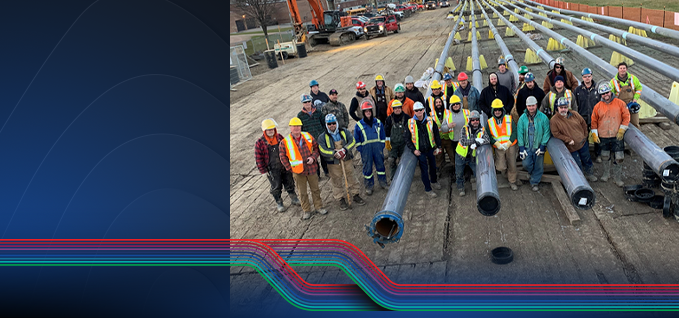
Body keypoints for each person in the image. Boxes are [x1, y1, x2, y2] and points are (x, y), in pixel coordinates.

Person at [279, 117, 326, 220]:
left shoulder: (307, 136)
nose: (296, 128)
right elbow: (282, 157)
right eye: (294, 126)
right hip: (298, 171)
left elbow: (316, 148)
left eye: (298, 126)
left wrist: (313, 158)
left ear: (301, 127)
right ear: (290, 128)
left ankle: (319, 207)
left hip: (311, 168)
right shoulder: (285, 142)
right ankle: (306, 210)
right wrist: (290, 169)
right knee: (302, 192)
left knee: (315, 189)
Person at [318, 114, 366, 210]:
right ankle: (340, 199)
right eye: (329, 124)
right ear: (326, 125)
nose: (332, 126)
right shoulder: (322, 137)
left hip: (346, 159)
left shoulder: (344, 132)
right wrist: (333, 153)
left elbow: (352, 141)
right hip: (333, 163)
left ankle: (355, 194)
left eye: (333, 123)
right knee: (336, 181)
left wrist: (344, 150)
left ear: (336, 123)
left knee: (351, 176)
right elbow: (322, 150)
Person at [255, 118, 301, 212]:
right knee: (276, 186)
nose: (271, 131)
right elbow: (258, 158)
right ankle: (279, 202)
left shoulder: (280, 137)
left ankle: (293, 198)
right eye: (268, 129)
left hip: (284, 165)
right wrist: (263, 171)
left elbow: (288, 149)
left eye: (272, 129)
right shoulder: (260, 143)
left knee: (289, 182)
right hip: (272, 169)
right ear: (264, 130)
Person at [549, 98, 598, 182]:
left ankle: (590, 174)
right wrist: (567, 139)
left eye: (565, 107)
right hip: (570, 147)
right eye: (561, 107)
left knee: (587, 159)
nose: (563, 109)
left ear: (568, 107)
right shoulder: (554, 120)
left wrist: (584, 135)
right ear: (557, 108)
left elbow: (583, 124)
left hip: (582, 143)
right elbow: (556, 134)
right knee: (576, 164)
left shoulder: (574, 114)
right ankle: (581, 180)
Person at [591, 82, 630, 187]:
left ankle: (617, 178)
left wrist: (622, 129)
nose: (605, 95)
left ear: (610, 92)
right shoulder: (597, 106)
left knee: (619, 157)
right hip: (603, 135)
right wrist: (594, 134)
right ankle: (606, 173)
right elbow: (593, 121)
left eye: (607, 92)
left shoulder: (620, 103)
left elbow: (626, 117)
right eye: (603, 94)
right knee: (605, 155)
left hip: (617, 134)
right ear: (600, 95)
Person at [406, 102, 443, 197]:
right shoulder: (410, 123)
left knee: (433, 166)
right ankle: (428, 189)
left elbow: (436, 134)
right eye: (416, 110)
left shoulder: (430, 120)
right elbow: (407, 138)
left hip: (430, 148)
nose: (419, 112)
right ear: (414, 111)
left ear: (423, 110)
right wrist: (414, 150)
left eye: (420, 110)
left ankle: (434, 181)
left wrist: (438, 146)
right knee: (424, 170)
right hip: (420, 151)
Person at [354, 99, 388, 195]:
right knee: (367, 169)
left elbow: (382, 135)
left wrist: (381, 145)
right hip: (366, 150)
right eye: (366, 111)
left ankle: (383, 183)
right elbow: (356, 139)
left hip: (377, 149)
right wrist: (361, 149)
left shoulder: (378, 122)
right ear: (363, 112)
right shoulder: (359, 125)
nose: (368, 112)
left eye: (369, 111)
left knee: (380, 166)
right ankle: (369, 186)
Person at [517, 96, 551, 192]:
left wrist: (542, 146)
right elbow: (520, 133)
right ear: (526, 106)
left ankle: (534, 182)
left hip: (538, 146)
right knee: (526, 164)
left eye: (533, 105)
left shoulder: (543, 118)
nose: (531, 108)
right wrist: (521, 148)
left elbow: (546, 132)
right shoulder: (522, 119)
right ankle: (531, 172)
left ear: (536, 105)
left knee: (539, 165)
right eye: (529, 106)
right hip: (527, 146)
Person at [454, 110, 489, 196]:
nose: (475, 122)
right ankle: (460, 187)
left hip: (472, 156)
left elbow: (487, 140)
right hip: (461, 155)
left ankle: (481, 188)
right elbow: (463, 141)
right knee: (459, 173)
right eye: (473, 120)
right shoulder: (464, 128)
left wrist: (477, 143)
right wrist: (476, 140)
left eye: (477, 119)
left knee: (477, 173)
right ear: (470, 120)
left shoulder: (482, 129)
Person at [488, 99, 520, 190]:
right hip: (499, 147)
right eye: (495, 110)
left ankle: (512, 181)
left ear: (502, 110)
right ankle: (506, 174)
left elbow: (514, 131)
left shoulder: (509, 119)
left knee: (512, 164)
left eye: (499, 109)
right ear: (493, 111)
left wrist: (509, 142)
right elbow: (489, 135)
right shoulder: (490, 122)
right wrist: (496, 143)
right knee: (501, 166)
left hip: (510, 145)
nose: (497, 111)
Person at [297, 93, 329, 177]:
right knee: (313, 158)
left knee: (323, 156)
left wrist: (323, 134)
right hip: (309, 141)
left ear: (311, 102)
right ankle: (317, 174)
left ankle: (326, 171)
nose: (307, 104)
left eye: (308, 101)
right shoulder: (300, 116)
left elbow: (324, 124)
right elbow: (301, 130)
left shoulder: (318, 112)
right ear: (302, 103)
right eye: (305, 102)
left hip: (320, 138)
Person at [574, 68, 601, 162]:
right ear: (582, 78)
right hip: (583, 118)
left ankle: (598, 155)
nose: (587, 79)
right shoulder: (578, 90)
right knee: (583, 137)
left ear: (592, 76)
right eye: (585, 77)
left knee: (597, 136)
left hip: (595, 118)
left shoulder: (598, 89)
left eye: (589, 76)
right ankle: (585, 156)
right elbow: (575, 105)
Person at [441, 95, 470, 177]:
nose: (455, 106)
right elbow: (443, 128)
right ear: (451, 106)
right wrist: (448, 126)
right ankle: (459, 172)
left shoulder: (467, 112)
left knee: (467, 156)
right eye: (453, 104)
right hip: (454, 141)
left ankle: (467, 171)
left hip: (466, 140)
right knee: (457, 158)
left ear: (460, 104)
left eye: (457, 104)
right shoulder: (448, 115)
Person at [610, 61, 643, 128]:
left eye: (624, 68)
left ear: (626, 69)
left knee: (635, 123)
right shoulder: (613, 81)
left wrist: (635, 98)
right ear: (618, 69)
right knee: (620, 124)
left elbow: (639, 88)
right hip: (620, 106)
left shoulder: (633, 78)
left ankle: (636, 137)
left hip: (632, 104)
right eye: (621, 68)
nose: (622, 70)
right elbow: (610, 93)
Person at [385, 100, 411, 180]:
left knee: (404, 160)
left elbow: (410, 130)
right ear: (393, 109)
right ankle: (393, 178)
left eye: (399, 108)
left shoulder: (406, 118)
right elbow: (387, 130)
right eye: (395, 108)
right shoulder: (389, 119)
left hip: (404, 143)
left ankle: (405, 176)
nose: (397, 110)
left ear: (401, 108)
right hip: (393, 144)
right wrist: (387, 140)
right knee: (391, 160)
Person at [429, 97, 454, 174]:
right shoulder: (431, 114)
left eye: (440, 102)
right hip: (438, 139)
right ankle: (439, 171)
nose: (438, 104)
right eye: (436, 102)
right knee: (438, 157)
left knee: (452, 155)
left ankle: (455, 170)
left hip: (448, 138)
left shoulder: (448, 112)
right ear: (434, 104)